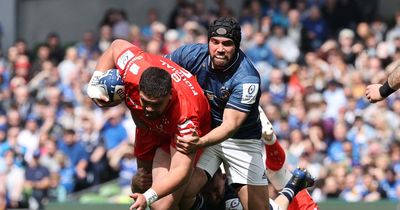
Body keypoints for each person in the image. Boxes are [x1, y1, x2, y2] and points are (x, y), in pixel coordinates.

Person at [87, 39, 211, 210]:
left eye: (156, 104)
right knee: (141, 182)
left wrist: (149, 196)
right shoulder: (133, 69)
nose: (149, 109)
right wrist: (96, 84)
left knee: (161, 205)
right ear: (138, 89)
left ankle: (208, 180)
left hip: (176, 131)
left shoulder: (186, 116)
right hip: (147, 129)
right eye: (145, 102)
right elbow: (116, 46)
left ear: (169, 96)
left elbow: (179, 171)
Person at [166, 17, 269, 210]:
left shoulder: (247, 78)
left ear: (237, 46)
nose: (220, 49)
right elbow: (158, 73)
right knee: (181, 191)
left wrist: (199, 143)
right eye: (215, 42)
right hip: (205, 132)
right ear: (208, 41)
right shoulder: (191, 54)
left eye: (227, 44)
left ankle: (289, 190)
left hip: (241, 141)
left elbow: (229, 126)